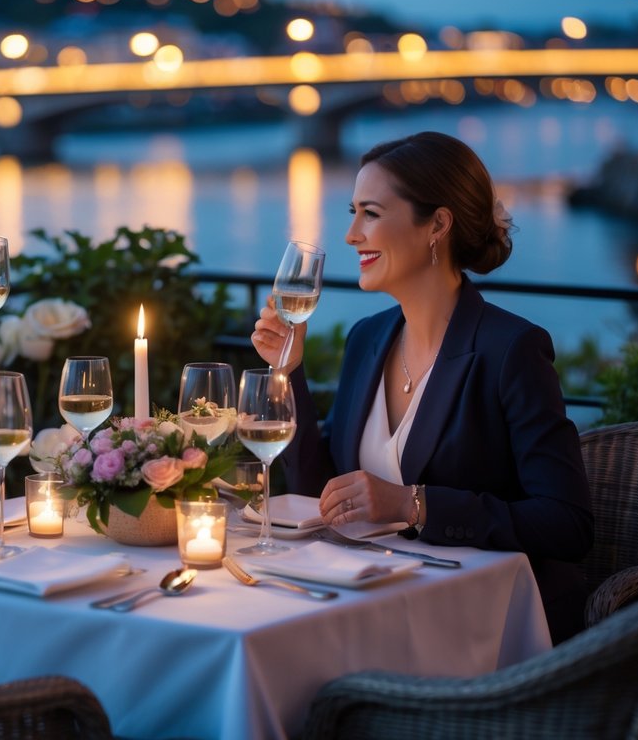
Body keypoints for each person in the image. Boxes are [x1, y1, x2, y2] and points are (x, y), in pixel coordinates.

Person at [251, 131, 593, 643]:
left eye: (370, 213)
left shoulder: (511, 349)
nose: (350, 235)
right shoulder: (367, 339)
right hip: (369, 605)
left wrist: (415, 504)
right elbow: (316, 492)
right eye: (353, 212)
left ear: (437, 224)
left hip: (479, 625)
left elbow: (568, 523)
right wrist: (289, 369)